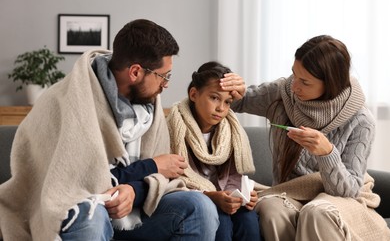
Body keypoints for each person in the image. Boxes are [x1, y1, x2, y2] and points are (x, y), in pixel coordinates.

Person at [0, 19, 219, 241]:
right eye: (164, 76)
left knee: (199, 206)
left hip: (135, 214)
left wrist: (135, 191)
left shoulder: (150, 107)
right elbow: (74, 186)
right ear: (135, 72)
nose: (166, 85)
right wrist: (151, 166)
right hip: (84, 211)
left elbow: (162, 179)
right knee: (90, 217)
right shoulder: (64, 102)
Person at [220, 35, 390, 240]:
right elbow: (239, 101)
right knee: (270, 210)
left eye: (305, 82)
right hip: (289, 192)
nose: (294, 86)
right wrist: (232, 83)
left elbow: (348, 191)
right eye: (294, 75)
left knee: (316, 212)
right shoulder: (282, 93)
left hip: (339, 196)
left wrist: (327, 153)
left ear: (330, 84)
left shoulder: (361, 120)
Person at [166, 61, 262, 241]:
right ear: (194, 94)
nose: (221, 108)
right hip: (195, 199)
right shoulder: (172, 128)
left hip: (223, 197)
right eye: (214, 98)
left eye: (227, 102)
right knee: (222, 221)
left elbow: (234, 175)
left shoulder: (230, 132)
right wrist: (210, 196)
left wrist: (242, 195)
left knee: (248, 217)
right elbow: (170, 182)